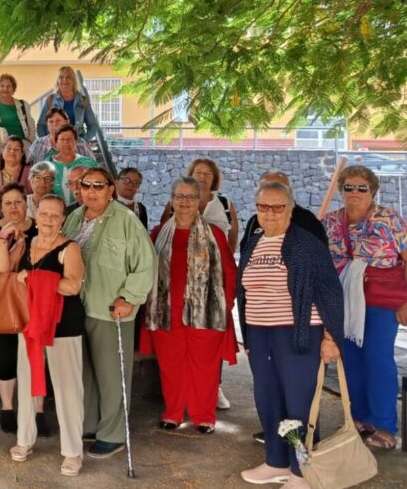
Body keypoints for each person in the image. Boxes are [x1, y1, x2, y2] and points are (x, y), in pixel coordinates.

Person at [238, 181, 344, 487]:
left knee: (298, 403)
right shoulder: (253, 241)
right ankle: (276, 461)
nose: (270, 213)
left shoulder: (306, 245)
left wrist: (331, 337)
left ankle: (302, 471)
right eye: (263, 206)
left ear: (291, 209)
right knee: (268, 398)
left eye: (278, 206)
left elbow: (330, 293)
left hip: (299, 334)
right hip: (260, 333)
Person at [62, 167, 155, 460]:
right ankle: (90, 425)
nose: (91, 191)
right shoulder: (75, 217)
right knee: (86, 373)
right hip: (79, 307)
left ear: (110, 189)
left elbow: (146, 264)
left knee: (112, 376)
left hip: (111, 310)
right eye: (86, 185)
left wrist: (130, 297)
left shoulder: (126, 221)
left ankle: (113, 435)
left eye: (98, 186)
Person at [323, 165, 407, 451]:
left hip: (381, 300)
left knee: (378, 357)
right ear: (341, 190)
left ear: (372, 191)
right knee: (351, 359)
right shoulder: (333, 221)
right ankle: (358, 417)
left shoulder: (389, 219)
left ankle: (385, 425)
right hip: (345, 297)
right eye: (349, 187)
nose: (355, 193)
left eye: (362, 188)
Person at [145, 177, 237, 434]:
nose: (184, 202)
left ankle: (203, 415)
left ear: (199, 201)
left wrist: (226, 305)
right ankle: (173, 412)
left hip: (205, 312)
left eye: (190, 197)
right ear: (172, 200)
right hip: (166, 311)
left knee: (204, 366)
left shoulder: (215, 234)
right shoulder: (158, 233)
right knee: (171, 365)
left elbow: (229, 271)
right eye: (179, 196)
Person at [8, 194, 86, 476]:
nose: (49, 220)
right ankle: (24, 440)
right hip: (31, 325)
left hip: (62, 326)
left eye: (55, 215)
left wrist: (34, 279)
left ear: (63, 219)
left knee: (67, 390)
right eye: (44, 214)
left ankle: (73, 453)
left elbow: (73, 286)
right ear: (36, 213)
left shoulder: (70, 247)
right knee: (28, 383)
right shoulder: (28, 243)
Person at [0, 183, 39, 435]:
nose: (13, 207)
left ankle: (38, 410)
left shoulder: (40, 228)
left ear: (26, 203)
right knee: (5, 355)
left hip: (36, 300)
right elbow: (0, 271)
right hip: (7, 302)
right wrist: (5, 239)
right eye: (8, 203)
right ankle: (7, 407)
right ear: (1, 207)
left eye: (18, 201)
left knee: (36, 357)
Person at [160, 158, 240, 252]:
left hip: (217, 264)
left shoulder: (226, 205)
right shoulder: (175, 203)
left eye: (207, 174)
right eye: (198, 173)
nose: (202, 176)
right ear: (191, 176)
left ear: (214, 179)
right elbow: (163, 232)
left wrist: (226, 262)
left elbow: (233, 239)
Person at [240, 171, 327, 254]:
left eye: (278, 189)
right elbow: (245, 251)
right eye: (267, 189)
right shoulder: (254, 221)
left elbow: (319, 256)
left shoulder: (307, 220)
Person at [36, 66, 101, 142]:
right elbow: (41, 125)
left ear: (73, 80)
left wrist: (83, 140)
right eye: (61, 77)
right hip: (54, 145)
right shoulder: (50, 99)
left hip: (76, 145)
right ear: (57, 81)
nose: (64, 80)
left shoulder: (83, 100)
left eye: (68, 77)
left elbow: (93, 125)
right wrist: (48, 142)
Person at [50, 125, 96, 203]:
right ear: (56, 143)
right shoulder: (48, 164)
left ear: (76, 141)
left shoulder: (89, 163)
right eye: (62, 139)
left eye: (70, 139)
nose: (66, 143)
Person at [0, 73, 35, 143]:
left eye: (8, 86)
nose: (5, 88)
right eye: (2, 86)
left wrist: (29, 143)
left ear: (13, 88)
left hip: (19, 146)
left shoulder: (23, 105)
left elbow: (31, 127)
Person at [0, 135, 32, 200]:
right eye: (8, 148)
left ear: (22, 153)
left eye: (16, 149)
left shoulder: (31, 173)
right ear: (2, 152)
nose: (12, 151)